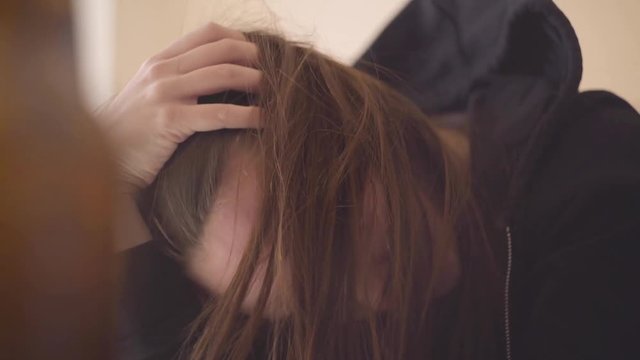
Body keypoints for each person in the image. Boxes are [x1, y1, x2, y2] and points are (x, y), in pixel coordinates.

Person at [99, 0, 640, 359]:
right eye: (313, 300)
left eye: (336, 225)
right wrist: (103, 184)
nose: (375, 294)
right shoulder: (335, 331)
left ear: (346, 117)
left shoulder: (595, 179)